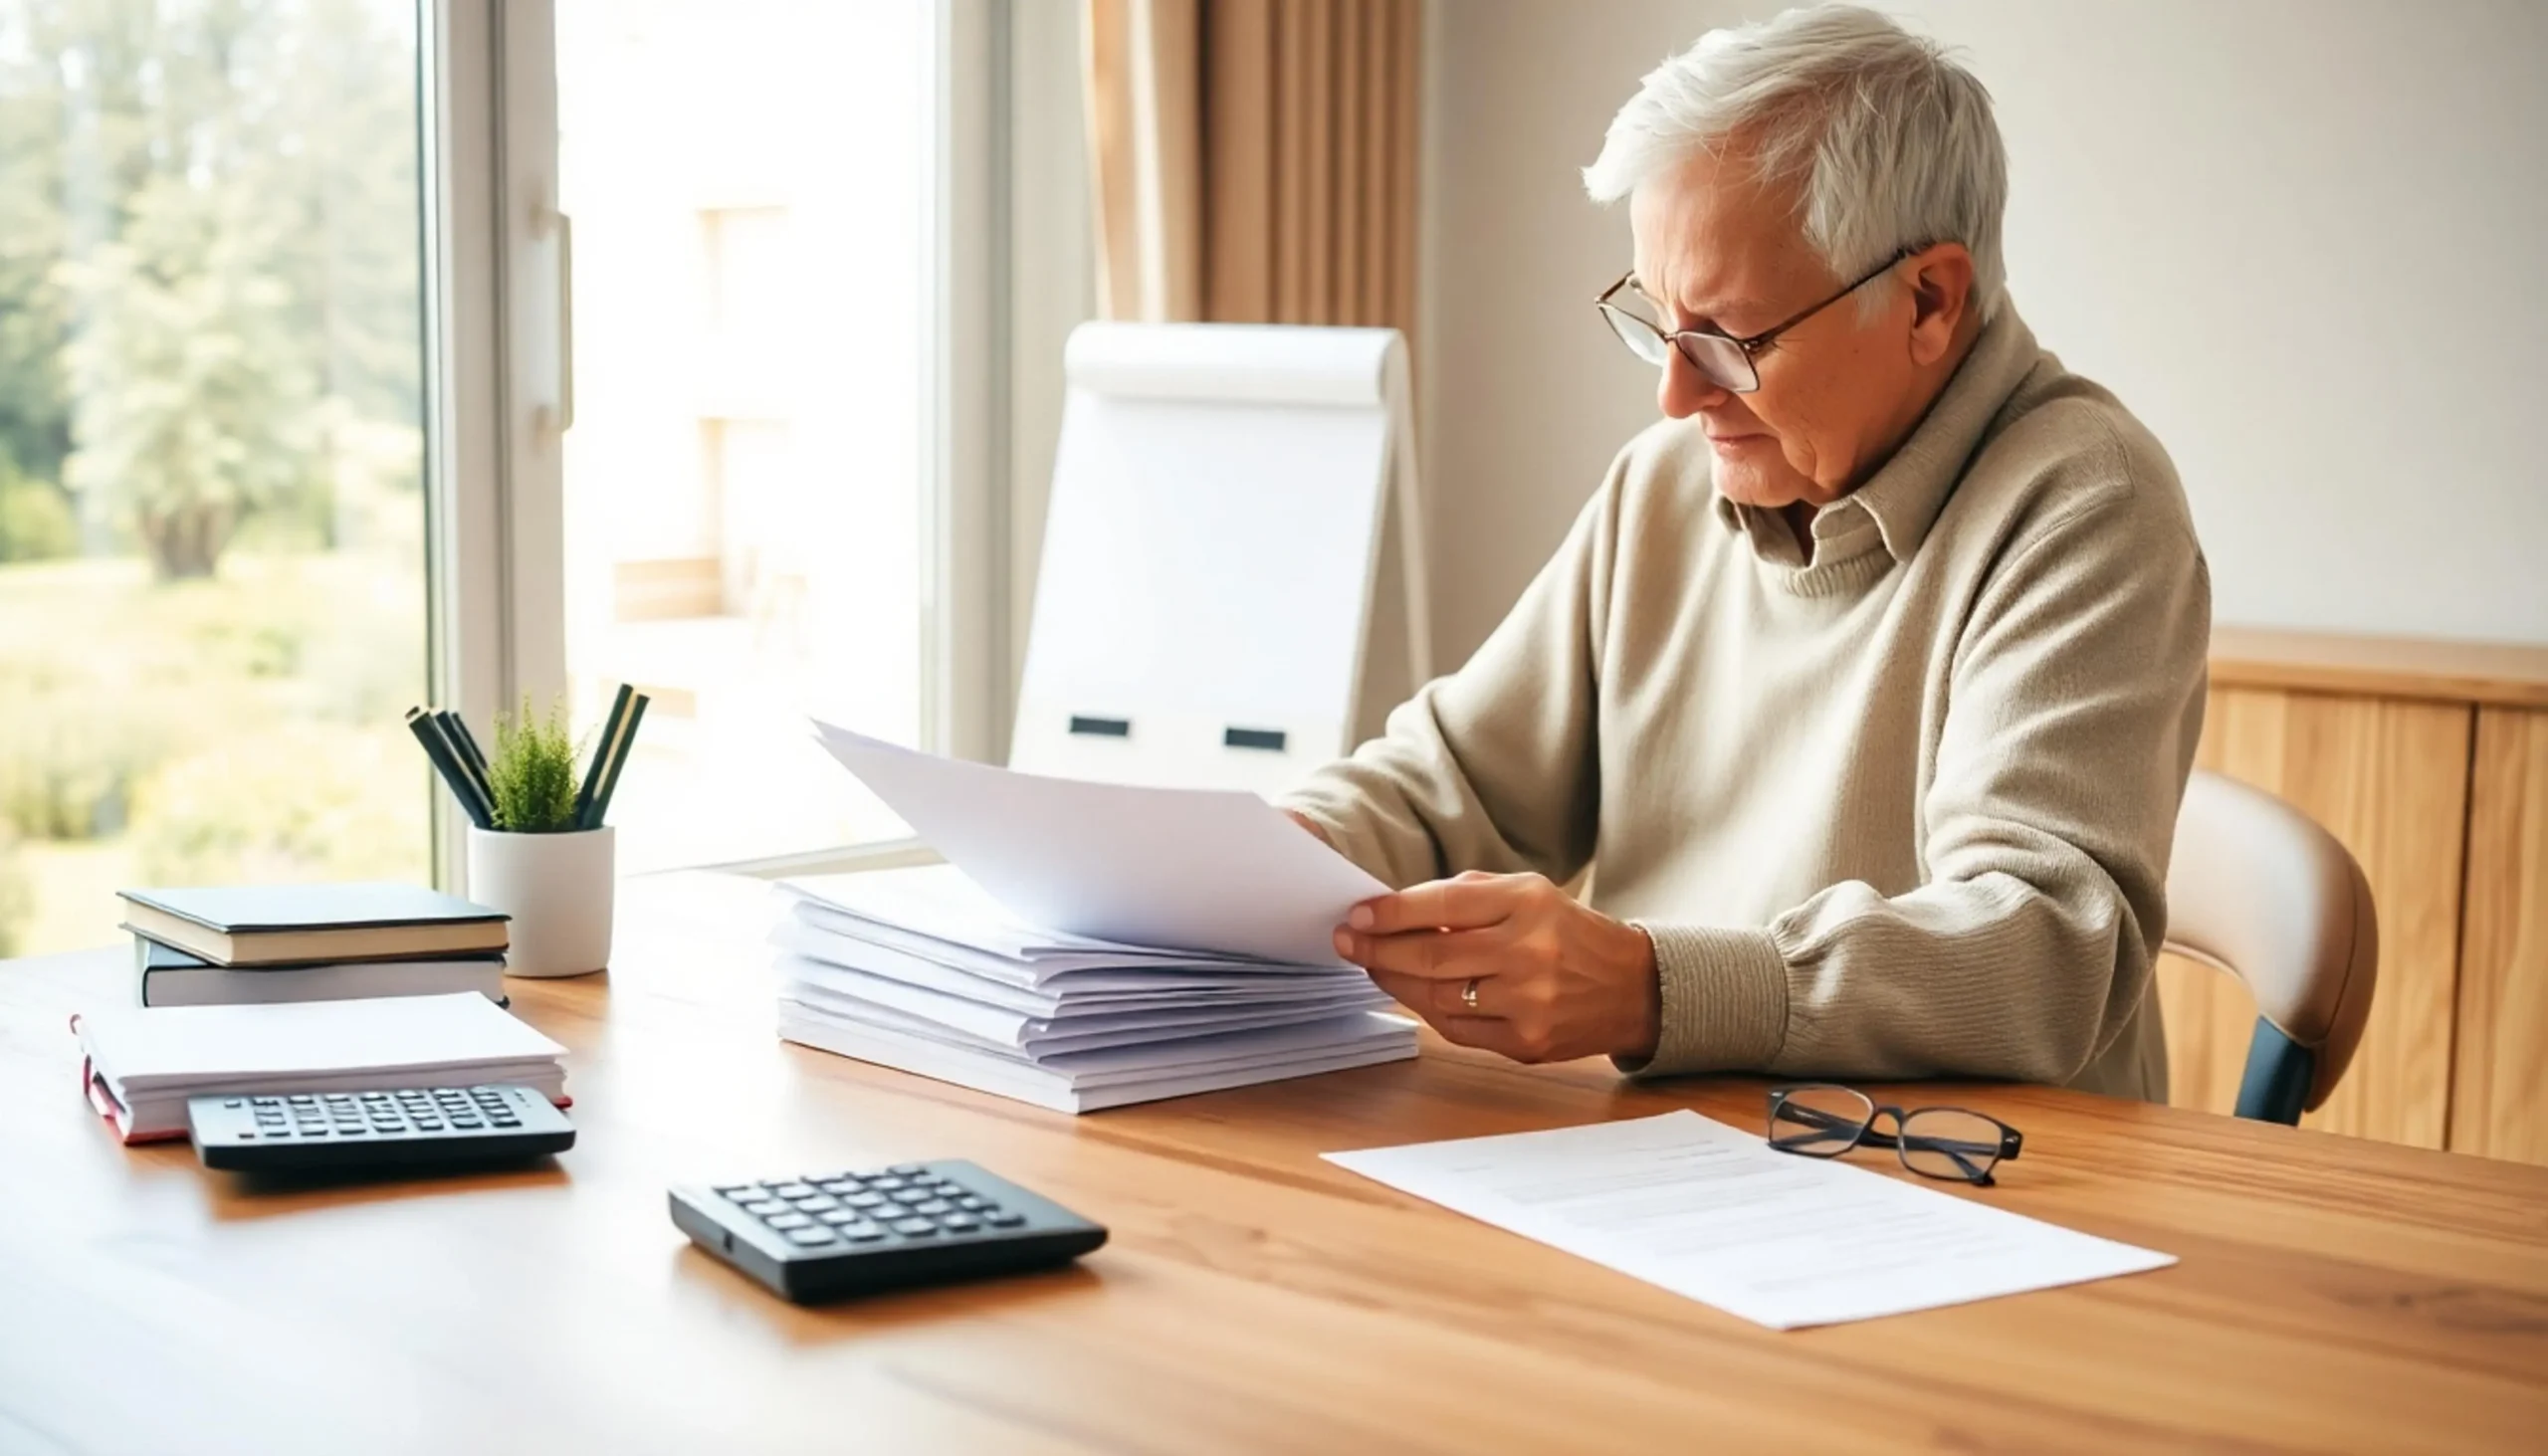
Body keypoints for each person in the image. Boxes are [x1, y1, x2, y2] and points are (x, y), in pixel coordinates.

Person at [1281, 3, 2209, 1100]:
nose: (1674, 396)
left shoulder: (2083, 502)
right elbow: (1450, 785)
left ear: (1929, 299)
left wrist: (1650, 984)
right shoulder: (1664, 487)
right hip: (1664, 1154)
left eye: (1726, 339)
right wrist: (1249, 867)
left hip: (1962, 1183)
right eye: (1656, 323)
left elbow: (2040, 947)